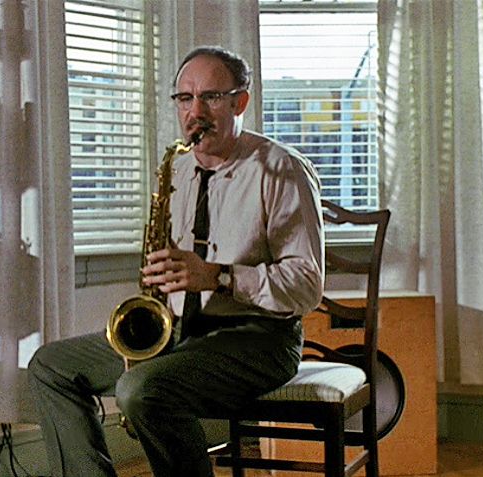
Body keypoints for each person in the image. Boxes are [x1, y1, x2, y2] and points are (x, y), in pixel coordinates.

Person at [28, 45, 324, 477]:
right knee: (50, 366)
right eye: (185, 98)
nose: (195, 111)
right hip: (186, 332)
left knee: (139, 389)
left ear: (240, 101)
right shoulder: (177, 169)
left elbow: (306, 285)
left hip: (259, 339)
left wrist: (219, 277)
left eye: (211, 97)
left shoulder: (281, 170)